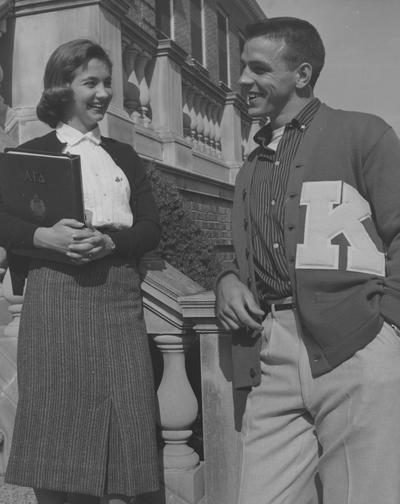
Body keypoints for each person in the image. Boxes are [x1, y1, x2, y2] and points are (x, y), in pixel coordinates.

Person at [215, 17, 400, 504]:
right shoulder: (252, 164)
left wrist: (389, 326)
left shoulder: (364, 133)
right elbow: (248, 254)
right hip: (269, 353)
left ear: (301, 74)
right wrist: (229, 279)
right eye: (242, 68)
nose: (241, 81)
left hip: (356, 346)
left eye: (258, 68)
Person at [1, 39, 161, 504]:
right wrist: (41, 238)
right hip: (55, 297)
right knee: (57, 421)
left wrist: (113, 240)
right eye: (90, 82)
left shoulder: (125, 156)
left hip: (118, 297)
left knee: (127, 419)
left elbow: (151, 227)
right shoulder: (29, 153)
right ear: (62, 86)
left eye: (107, 82)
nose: (104, 93)